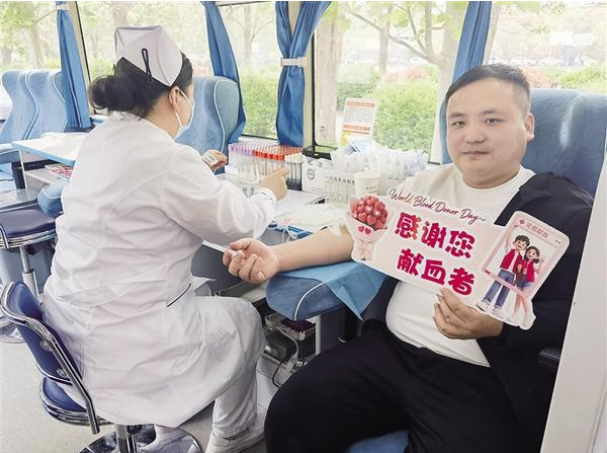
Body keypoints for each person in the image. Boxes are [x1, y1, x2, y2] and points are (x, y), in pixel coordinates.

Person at [223, 64, 594, 453]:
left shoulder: (562, 212)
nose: (472, 135)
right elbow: (357, 232)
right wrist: (275, 256)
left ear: (528, 125)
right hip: (390, 352)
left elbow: (577, 315)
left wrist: (497, 326)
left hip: (477, 376)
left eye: (492, 119)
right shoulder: (427, 184)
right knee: (291, 412)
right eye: (458, 122)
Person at [42, 26, 288, 453]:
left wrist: (198, 176)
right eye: (190, 94)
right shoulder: (168, 157)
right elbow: (241, 222)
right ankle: (233, 433)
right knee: (244, 316)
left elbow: (138, 195)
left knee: (198, 291)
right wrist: (270, 192)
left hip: (66, 329)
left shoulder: (100, 139)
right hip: (123, 346)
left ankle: (163, 425)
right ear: (177, 96)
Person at [478, 229, 529, 315]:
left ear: (525, 248)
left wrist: (517, 279)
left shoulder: (521, 258)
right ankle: (486, 301)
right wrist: (511, 230)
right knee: (496, 285)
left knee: (506, 290)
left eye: (523, 244)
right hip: (504, 272)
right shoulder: (509, 250)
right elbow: (508, 241)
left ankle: (498, 307)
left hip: (512, 275)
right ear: (514, 242)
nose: (520, 244)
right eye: (519, 242)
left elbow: (520, 271)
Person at [510, 245, 544, 328]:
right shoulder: (523, 261)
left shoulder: (532, 264)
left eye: (533, 253)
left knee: (524, 297)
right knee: (518, 298)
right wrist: (517, 275)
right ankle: (515, 315)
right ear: (526, 253)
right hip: (521, 279)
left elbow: (539, 272)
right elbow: (518, 271)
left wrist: (541, 263)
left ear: (536, 256)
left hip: (529, 281)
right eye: (529, 252)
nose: (530, 254)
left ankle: (528, 314)